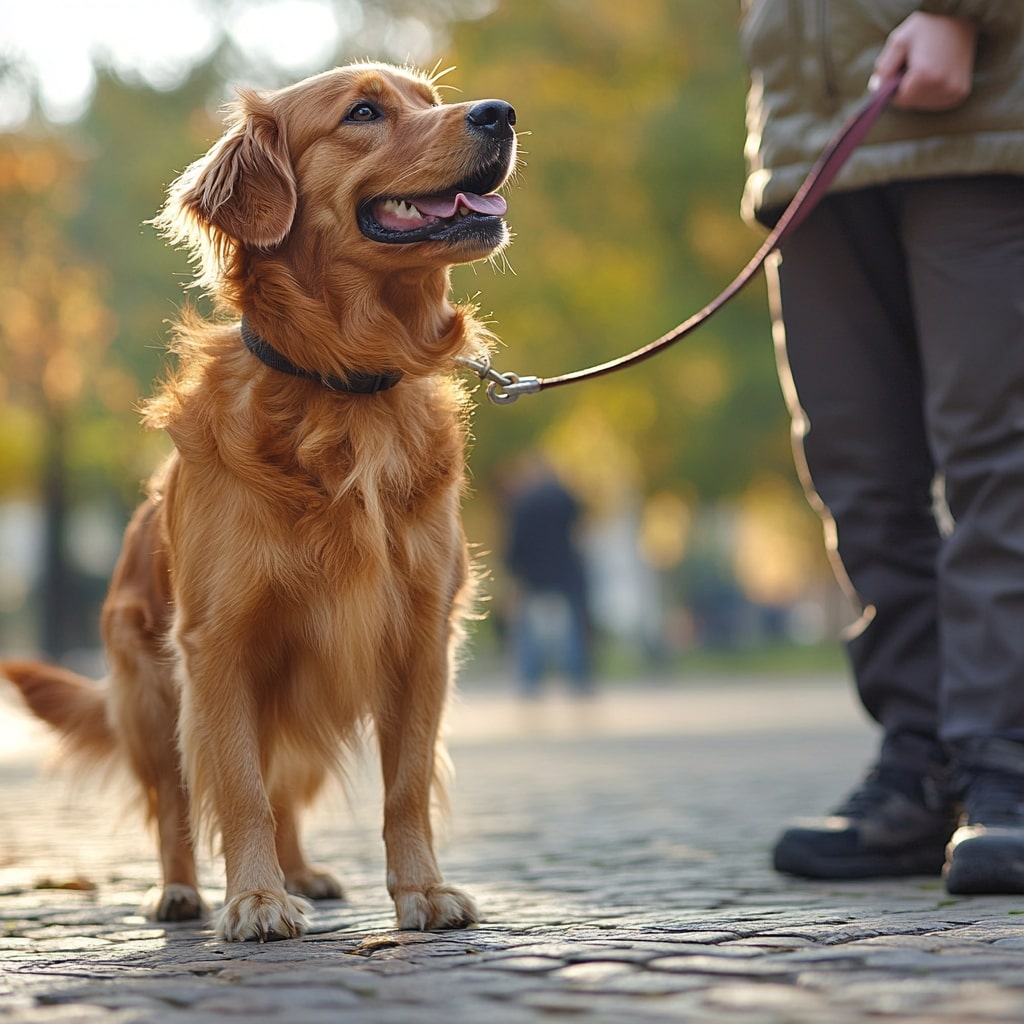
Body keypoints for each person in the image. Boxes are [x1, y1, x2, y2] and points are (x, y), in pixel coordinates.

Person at [739, 1, 1024, 892]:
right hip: (808, 145)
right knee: (858, 473)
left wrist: (961, 10)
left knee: (997, 450)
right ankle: (926, 759)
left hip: (982, 120)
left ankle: (1006, 757)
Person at [503, 454, 593, 697]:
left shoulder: (523, 502)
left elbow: (516, 541)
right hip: (565, 568)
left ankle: (530, 681)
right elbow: (580, 526)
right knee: (573, 627)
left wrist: (513, 568)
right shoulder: (564, 497)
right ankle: (579, 677)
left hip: (533, 572)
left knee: (527, 630)